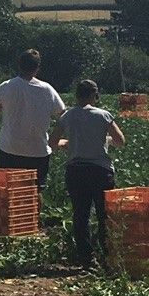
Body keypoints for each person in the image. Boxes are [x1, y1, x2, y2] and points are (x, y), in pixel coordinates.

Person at [52, 78, 126, 269]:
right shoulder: (103, 115)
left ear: (77, 95)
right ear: (95, 95)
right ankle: (109, 257)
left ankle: (86, 259)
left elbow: (52, 143)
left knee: (81, 215)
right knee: (105, 215)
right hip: (100, 171)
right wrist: (105, 140)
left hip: (76, 171)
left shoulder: (67, 116)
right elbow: (120, 141)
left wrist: (68, 144)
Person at [0, 49, 65, 187]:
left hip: (10, 149)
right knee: (36, 191)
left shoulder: (7, 86)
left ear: (19, 65)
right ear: (37, 68)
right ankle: (35, 210)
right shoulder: (47, 90)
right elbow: (63, 115)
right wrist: (56, 138)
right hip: (38, 151)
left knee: (8, 190)